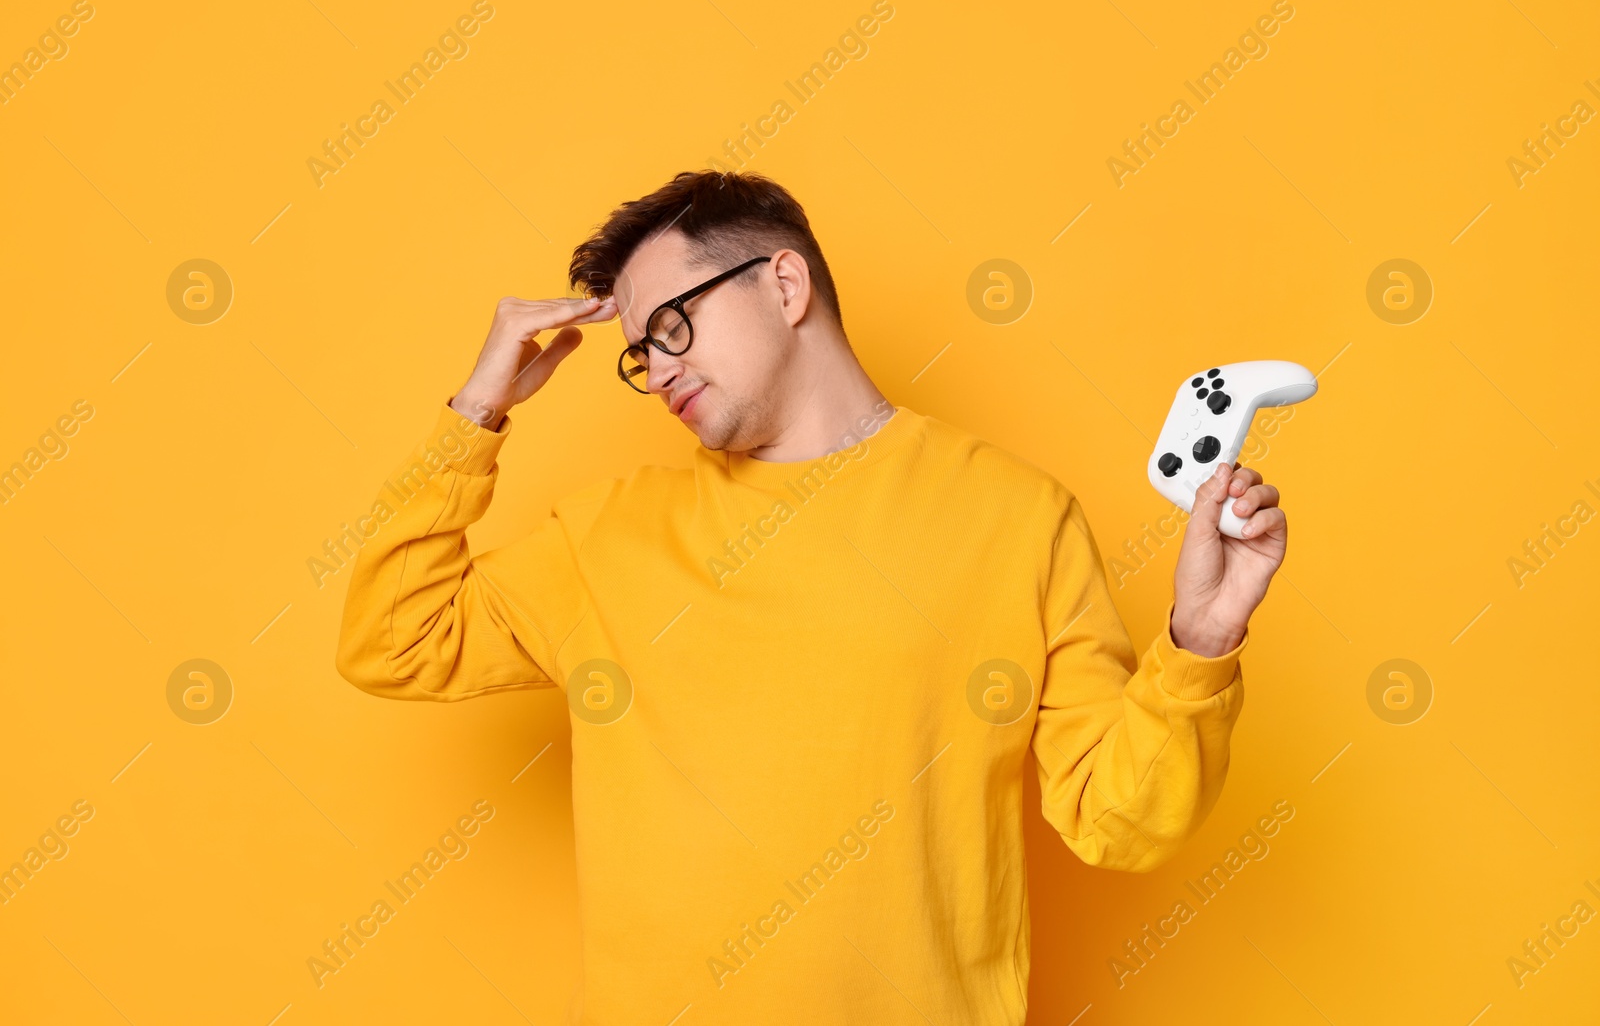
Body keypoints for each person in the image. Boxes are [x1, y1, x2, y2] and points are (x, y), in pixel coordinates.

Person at [335, 169, 1287, 1023]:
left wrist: (1200, 639)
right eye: (639, 353)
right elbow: (392, 639)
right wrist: (475, 413)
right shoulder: (606, 537)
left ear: (785, 285)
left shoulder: (1016, 517)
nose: (657, 367)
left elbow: (1121, 817)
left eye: (673, 325)